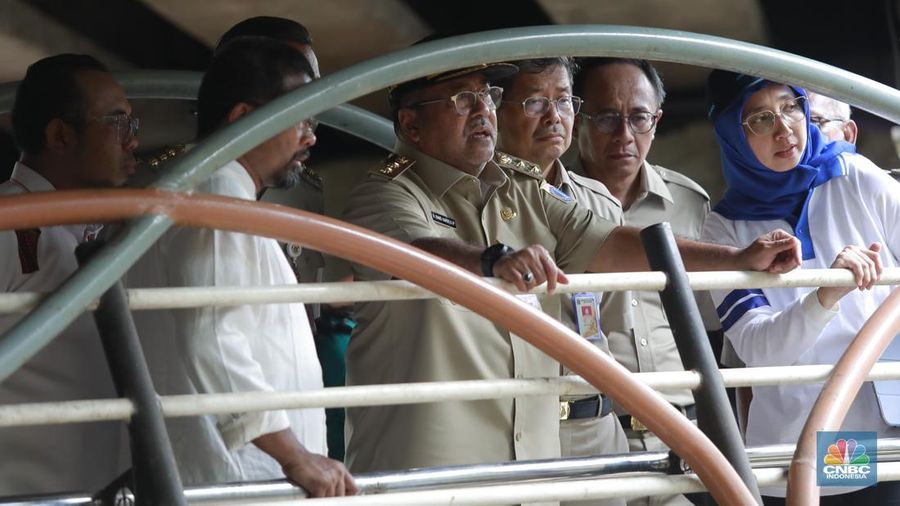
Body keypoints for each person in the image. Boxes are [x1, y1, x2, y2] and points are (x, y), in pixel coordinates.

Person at [340, 53, 802, 480]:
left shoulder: (519, 186)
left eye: (487, 96)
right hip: (433, 460)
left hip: (529, 458)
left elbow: (610, 242)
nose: (484, 112)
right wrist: (491, 261)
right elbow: (413, 252)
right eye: (463, 99)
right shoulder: (383, 191)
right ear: (410, 123)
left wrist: (737, 258)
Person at [127, 37, 355, 496]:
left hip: (247, 470)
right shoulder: (215, 198)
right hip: (242, 476)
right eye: (301, 119)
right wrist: (295, 456)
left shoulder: (217, 192)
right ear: (243, 119)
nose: (311, 136)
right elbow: (212, 335)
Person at [702, 69, 900, 504]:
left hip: (873, 441)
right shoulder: (725, 228)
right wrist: (826, 294)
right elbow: (758, 349)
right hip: (782, 448)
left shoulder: (856, 178)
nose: (784, 128)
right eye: (759, 119)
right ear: (731, 134)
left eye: (790, 107)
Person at [572, 57, 714, 506]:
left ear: (657, 121)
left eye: (638, 118)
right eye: (607, 118)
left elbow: (712, 327)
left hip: (681, 430)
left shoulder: (689, 204)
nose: (624, 136)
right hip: (586, 434)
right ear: (576, 116)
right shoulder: (546, 204)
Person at [0, 54, 138, 494]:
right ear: (59, 135)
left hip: (101, 490)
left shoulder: (101, 234)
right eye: (117, 124)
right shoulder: (6, 224)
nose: (133, 141)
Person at [494, 57, 628, 506]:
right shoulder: (480, 198)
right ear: (496, 110)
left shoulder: (601, 203)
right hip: (522, 427)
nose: (554, 117)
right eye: (534, 102)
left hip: (601, 425)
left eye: (565, 101)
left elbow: (610, 321)